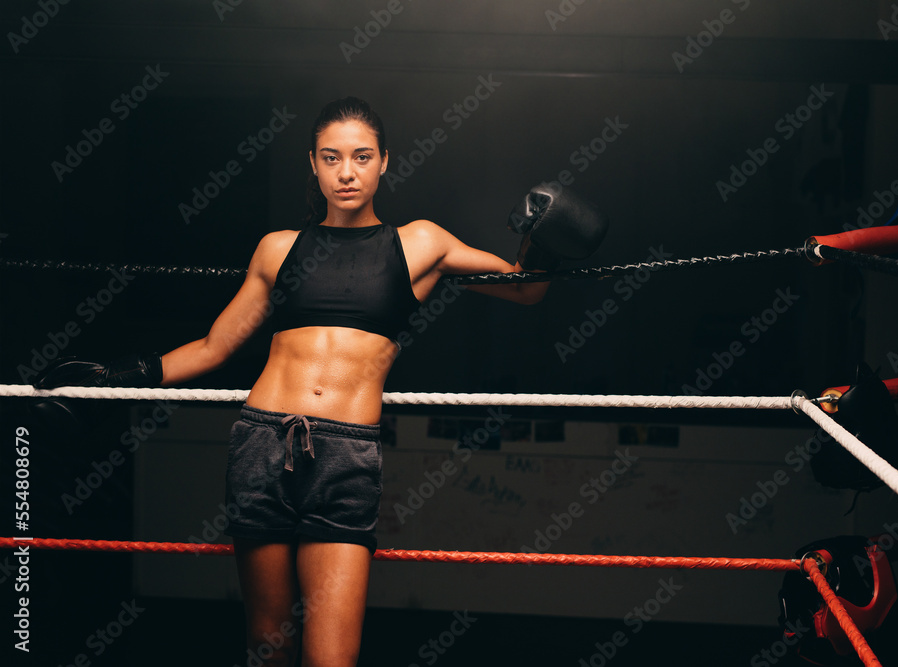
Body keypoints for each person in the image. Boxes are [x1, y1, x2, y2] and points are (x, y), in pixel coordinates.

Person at [34, 96, 608, 666]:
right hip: (261, 445)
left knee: (333, 656)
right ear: (313, 163)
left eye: (361, 157)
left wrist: (542, 241)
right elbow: (214, 348)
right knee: (268, 645)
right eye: (331, 158)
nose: (347, 172)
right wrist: (115, 380)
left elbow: (523, 287)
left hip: (345, 458)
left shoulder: (422, 243)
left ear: (385, 161)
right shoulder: (279, 248)